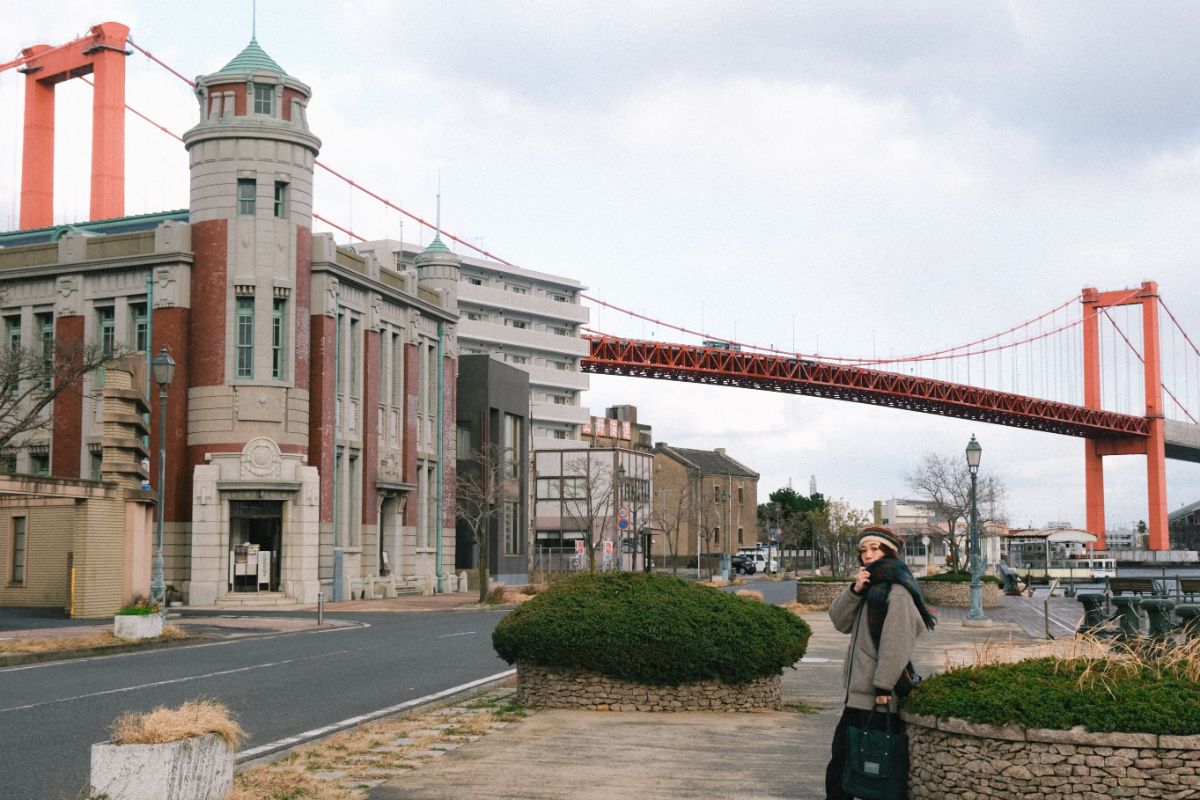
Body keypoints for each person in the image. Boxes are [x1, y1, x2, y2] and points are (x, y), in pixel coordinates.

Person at [825, 525, 937, 800]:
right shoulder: (869, 587)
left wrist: (884, 686)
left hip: (877, 695)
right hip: (858, 694)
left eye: (875, 548)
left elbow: (897, 642)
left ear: (889, 552)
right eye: (864, 550)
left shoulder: (897, 590)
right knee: (846, 762)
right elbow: (840, 622)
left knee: (869, 766)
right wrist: (854, 590)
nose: (868, 555)